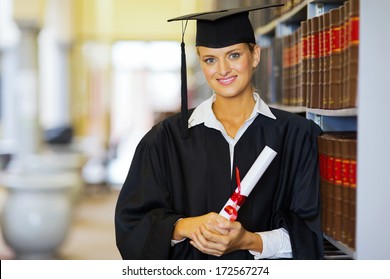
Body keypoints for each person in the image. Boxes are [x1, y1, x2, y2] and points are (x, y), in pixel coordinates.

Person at [115, 4, 324, 260]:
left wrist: (250, 240)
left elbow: (313, 232)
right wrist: (184, 226)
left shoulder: (298, 136)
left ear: (255, 56)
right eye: (210, 60)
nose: (223, 70)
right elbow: (132, 225)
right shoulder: (165, 139)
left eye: (234, 55)